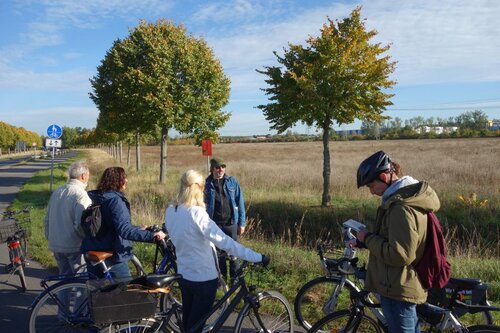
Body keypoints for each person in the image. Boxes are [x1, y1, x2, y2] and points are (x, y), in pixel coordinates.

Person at [165, 170, 267, 333]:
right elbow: (226, 242)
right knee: (196, 326)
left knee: (189, 323)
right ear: (199, 188)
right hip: (203, 278)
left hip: (184, 274)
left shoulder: (171, 210)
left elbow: (186, 238)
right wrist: (257, 257)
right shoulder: (197, 213)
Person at [349, 150, 440, 333]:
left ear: (384, 176)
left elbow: (399, 255)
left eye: (371, 185)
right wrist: (365, 242)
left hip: (398, 289)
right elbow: (393, 240)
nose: (371, 191)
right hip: (398, 284)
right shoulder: (401, 201)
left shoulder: (401, 208)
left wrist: (367, 237)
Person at [81, 167, 165, 280]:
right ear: (117, 181)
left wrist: (139, 229)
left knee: (98, 293)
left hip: (94, 249)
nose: (127, 180)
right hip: (112, 255)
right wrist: (152, 236)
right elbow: (124, 230)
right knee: (127, 293)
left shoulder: (100, 197)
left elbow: (110, 224)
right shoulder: (115, 201)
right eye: (124, 178)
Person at [44, 160, 92, 276]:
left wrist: (49, 237)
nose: (88, 179)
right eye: (88, 176)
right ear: (83, 176)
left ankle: (61, 294)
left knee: (64, 279)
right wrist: (86, 239)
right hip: (74, 245)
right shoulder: (81, 194)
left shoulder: (57, 191)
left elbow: (47, 219)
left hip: (56, 243)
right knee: (80, 282)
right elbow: (80, 224)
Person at [204, 157, 246, 284]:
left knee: (234, 254)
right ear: (212, 169)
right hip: (215, 225)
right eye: (217, 167)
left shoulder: (232, 182)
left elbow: (240, 202)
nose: (220, 169)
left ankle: (235, 281)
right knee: (218, 256)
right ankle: (222, 283)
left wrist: (242, 223)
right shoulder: (206, 184)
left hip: (231, 224)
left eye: (223, 166)